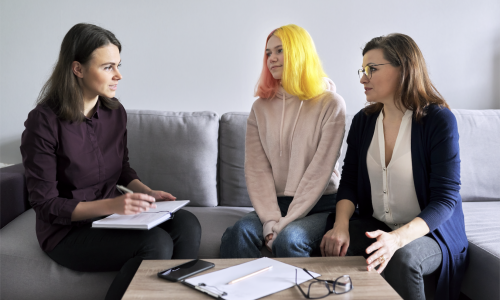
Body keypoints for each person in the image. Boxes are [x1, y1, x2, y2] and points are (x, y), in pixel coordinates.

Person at [20, 23, 201, 300]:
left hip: (111, 217)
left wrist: (146, 192)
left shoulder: (115, 112)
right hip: (66, 233)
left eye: (118, 65)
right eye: (108, 67)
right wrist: (114, 205)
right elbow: (45, 205)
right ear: (77, 69)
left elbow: (122, 168)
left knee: (187, 223)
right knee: (155, 243)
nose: (119, 75)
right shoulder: (43, 122)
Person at [320, 33, 468, 300]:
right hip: (377, 225)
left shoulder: (438, 121)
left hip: (431, 233)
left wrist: (397, 239)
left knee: (403, 257)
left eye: (371, 69)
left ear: (404, 69)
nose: (363, 78)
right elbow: (350, 182)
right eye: (362, 70)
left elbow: (445, 200)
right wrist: (341, 224)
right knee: (320, 240)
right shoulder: (363, 121)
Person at [220, 24, 346, 258]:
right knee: (237, 234)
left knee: (290, 240)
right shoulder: (260, 107)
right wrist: (270, 221)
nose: (271, 59)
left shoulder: (331, 104)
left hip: (321, 203)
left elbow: (320, 171)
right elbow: (257, 170)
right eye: (268, 53)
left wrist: (286, 223)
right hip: (276, 204)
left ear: (299, 52)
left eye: (279, 51)